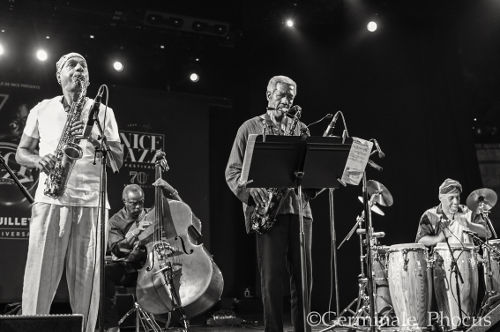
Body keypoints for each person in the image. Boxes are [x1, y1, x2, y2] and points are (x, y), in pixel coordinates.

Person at [15, 52, 124, 332]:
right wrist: (39, 160)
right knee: (39, 276)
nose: (79, 69)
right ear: (59, 75)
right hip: (50, 198)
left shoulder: (103, 111)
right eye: (72, 65)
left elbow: (118, 160)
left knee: (87, 281)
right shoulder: (42, 108)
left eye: (84, 66)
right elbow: (20, 153)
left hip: (92, 203)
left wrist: (93, 135)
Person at [225, 75, 317, 332]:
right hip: (268, 214)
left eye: (291, 96)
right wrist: (252, 192)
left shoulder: (301, 129)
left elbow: (312, 174)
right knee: (271, 281)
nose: (286, 100)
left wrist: (312, 177)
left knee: (303, 281)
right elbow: (232, 172)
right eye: (282, 95)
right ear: (268, 95)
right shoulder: (249, 128)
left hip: (299, 211)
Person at [104, 182, 202, 332]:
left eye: (140, 202)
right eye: (133, 204)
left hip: (155, 265)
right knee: (105, 273)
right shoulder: (115, 222)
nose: (138, 207)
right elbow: (117, 251)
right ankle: (111, 325)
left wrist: (173, 192)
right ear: (124, 201)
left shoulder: (152, 214)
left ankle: (177, 322)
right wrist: (134, 233)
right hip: (131, 269)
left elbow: (190, 219)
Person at [416, 178, 490, 247]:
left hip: (468, 258)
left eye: (457, 197)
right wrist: (438, 238)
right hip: (440, 259)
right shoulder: (430, 215)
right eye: (451, 198)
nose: (456, 202)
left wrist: (469, 225)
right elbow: (420, 240)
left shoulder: (468, 212)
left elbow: (487, 233)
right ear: (441, 198)